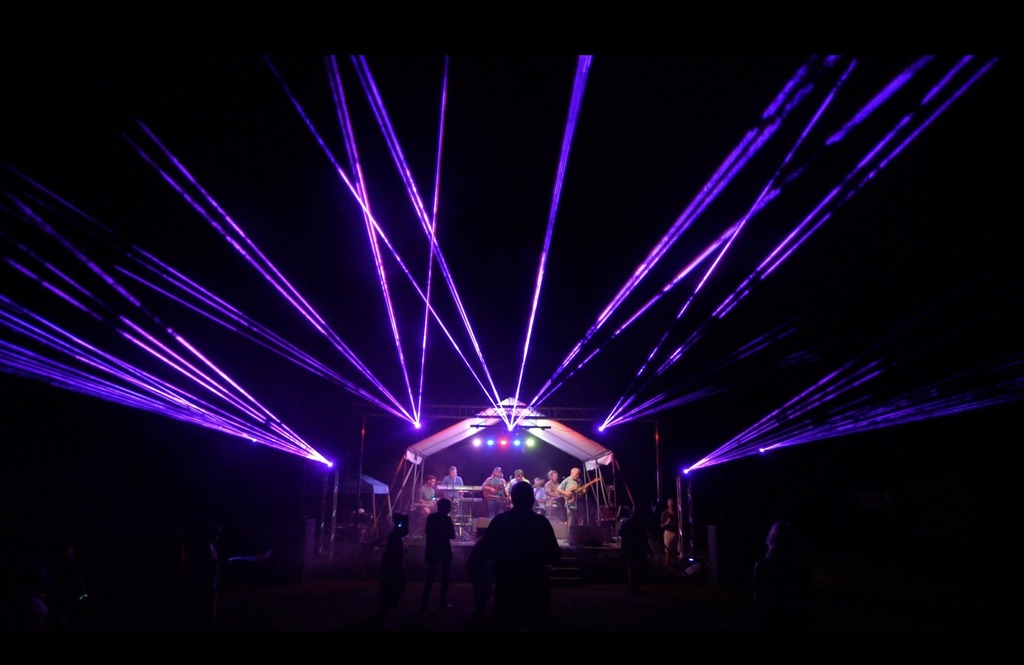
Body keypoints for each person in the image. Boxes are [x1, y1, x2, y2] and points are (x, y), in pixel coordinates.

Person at [474, 480, 561, 631]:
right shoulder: (541, 523)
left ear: (512, 499)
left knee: (506, 622)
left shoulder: (500, 521)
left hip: (507, 583)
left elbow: (483, 549)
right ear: (532, 500)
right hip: (535, 585)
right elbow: (554, 554)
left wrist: (500, 557)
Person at [752, 520, 815, 630]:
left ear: (771, 540)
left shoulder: (762, 567)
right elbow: (808, 604)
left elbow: (759, 601)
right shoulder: (803, 570)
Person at [180, 518, 222, 630]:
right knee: (196, 611)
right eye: (215, 534)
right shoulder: (198, 547)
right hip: (200, 584)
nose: (216, 537)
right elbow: (195, 563)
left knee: (208, 613)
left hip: (210, 584)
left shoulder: (210, 546)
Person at [419, 497, 456, 612]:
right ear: (447, 508)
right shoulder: (447, 519)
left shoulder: (431, 518)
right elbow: (452, 535)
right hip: (444, 550)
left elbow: (427, 533)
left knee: (430, 577)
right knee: (445, 578)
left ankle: (424, 604)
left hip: (433, 550)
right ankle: (442, 603)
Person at [377, 512, 409, 619]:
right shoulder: (396, 534)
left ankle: (389, 605)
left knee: (397, 583)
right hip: (393, 565)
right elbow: (405, 532)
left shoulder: (395, 533)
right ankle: (389, 605)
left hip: (392, 564)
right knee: (395, 583)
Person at [617, 507, 652, 592]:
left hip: (629, 548)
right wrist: (649, 550)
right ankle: (635, 585)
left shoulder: (626, 523)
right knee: (637, 567)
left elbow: (620, 533)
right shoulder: (640, 525)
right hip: (636, 549)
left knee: (632, 567)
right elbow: (644, 539)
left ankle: (633, 585)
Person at [660, 496, 680, 567]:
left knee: (678, 551)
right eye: (670, 504)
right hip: (668, 533)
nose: (671, 506)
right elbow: (661, 525)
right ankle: (667, 567)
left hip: (676, 533)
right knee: (667, 551)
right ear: (668, 504)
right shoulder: (664, 513)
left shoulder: (677, 512)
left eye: (672, 504)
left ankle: (677, 566)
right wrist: (667, 523)